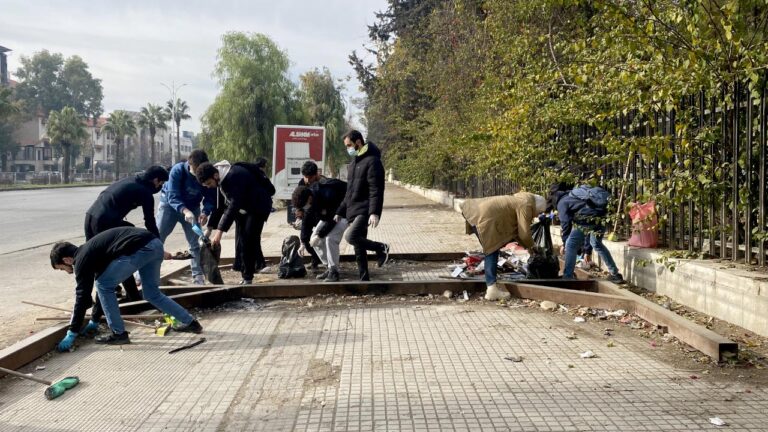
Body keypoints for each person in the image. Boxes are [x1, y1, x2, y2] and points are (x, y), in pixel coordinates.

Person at [50, 227, 203, 351]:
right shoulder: (92, 251)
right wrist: (95, 320)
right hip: (154, 245)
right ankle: (191, 323)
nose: (67, 271)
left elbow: (82, 297)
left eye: (62, 268)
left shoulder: (81, 260)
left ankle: (119, 334)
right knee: (152, 293)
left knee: (103, 285)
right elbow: (99, 292)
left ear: (67, 260)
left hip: (140, 249)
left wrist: (72, 332)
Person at [81, 165, 169, 333]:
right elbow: (150, 222)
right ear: (156, 180)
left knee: (98, 260)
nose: (160, 187)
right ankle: (96, 316)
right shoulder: (145, 192)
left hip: (90, 217)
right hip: (104, 222)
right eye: (161, 183)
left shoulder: (131, 180)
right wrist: (158, 246)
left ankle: (131, 296)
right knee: (110, 264)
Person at [195, 160, 275, 284]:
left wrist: (219, 232)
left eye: (209, 183)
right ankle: (246, 273)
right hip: (245, 207)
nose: (209, 186)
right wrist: (209, 229)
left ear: (215, 175)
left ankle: (248, 277)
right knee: (241, 240)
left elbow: (234, 205)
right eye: (206, 185)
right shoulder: (221, 180)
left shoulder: (234, 176)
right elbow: (220, 206)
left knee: (248, 239)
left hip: (258, 206)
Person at [461, 192, 547, 301]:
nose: (537, 216)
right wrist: (533, 246)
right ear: (537, 207)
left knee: (491, 249)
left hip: (476, 210)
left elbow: (518, 231)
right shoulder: (526, 205)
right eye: (539, 212)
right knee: (492, 249)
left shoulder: (521, 199)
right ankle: (491, 289)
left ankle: (491, 285)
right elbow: (524, 234)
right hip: (486, 217)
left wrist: (528, 247)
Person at [334, 130, 390, 281]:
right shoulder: (353, 164)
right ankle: (364, 279)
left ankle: (381, 248)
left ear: (358, 142)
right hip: (353, 209)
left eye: (349, 145)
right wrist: (340, 211)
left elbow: (376, 189)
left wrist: (374, 212)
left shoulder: (373, 161)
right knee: (359, 248)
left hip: (364, 209)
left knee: (350, 236)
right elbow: (349, 192)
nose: (348, 149)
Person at [156, 150, 217, 285]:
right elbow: (172, 196)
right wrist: (184, 211)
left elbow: (210, 196)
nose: (198, 175)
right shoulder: (178, 171)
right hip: (170, 206)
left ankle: (198, 276)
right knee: (157, 238)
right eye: (195, 171)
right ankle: (143, 274)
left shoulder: (206, 172)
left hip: (193, 207)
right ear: (190, 164)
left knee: (195, 242)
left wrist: (205, 212)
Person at [554, 184, 624, 283]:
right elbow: (588, 230)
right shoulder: (576, 196)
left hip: (587, 218)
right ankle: (615, 274)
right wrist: (587, 251)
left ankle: (568, 277)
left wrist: (565, 243)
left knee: (571, 245)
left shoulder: (562, 202)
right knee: (596, 243)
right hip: (602, 216)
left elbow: (565, 223)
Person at [292, 176, 348, 282]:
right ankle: (329, 267)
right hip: (329, 216)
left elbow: (333, 220)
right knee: (313, 239)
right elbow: (306, 221)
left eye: (304, 206)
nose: (304, 208)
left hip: (344, 213)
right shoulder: (309, 199)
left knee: (330, 238)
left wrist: (320, 235)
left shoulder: (328, 194)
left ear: (309, 199)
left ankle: (334, 272)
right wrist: (303, 243)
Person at [294, 161, 326, 271]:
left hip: (322, 215)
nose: (307, 180)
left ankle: (325, 262)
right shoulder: (302, 182)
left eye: (310, 177)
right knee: (305, 238)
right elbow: (299, 200)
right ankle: (315, 259)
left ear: (316, 174)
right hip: (308, 215)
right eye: (305, 177)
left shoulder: (324, 183)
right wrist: (299, 217)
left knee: (319, 238)